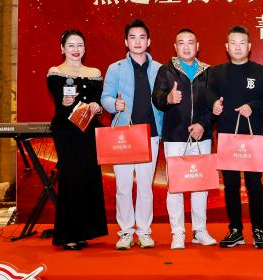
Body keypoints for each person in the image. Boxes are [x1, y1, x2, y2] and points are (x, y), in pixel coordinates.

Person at [206, 26, 263, 249]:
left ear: (249, 46)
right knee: (231, 185)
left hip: (253, 136)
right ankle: (235, 230)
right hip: (227, 136)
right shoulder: (216, 73)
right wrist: (214, 105)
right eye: (233, 43)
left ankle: (258, 230)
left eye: (242, 43)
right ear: (227, 47)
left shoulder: (260, 72)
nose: (237, 47)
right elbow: (209, 96)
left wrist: (253, 106)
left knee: (254, 184)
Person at [101, 19, 164, 250]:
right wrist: (113, 105)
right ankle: (126, 232)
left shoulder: (160, 69)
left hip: (150, 134)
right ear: (126, 42)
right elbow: (105, 97)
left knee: (146, 187)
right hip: (123, 136)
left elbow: (164, 101)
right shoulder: (115, 68)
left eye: (142, 37)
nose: (137, 42)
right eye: (133, 37)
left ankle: (144, 232)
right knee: (123, 187)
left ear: (149, 41)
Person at [151, 29, 217, 249]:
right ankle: (177, 232)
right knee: (175, 187)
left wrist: (203, 125)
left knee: (201, 186)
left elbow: (215, 105)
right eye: (181, 43)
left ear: (197, 46)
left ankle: (200, 230)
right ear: (175, 47)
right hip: (175, 136)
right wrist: (168, 98)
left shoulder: (208, 72)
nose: (186, 47)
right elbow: (157, 98)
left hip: (201, 136)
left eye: (190, 42)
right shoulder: (165, 70)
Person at [45, 30, 108, 250]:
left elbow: (99, 102)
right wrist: (65, 101)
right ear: (62, 48)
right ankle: (68, 234)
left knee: (88, 177)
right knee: (70, 179)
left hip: (88, 131)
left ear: (85, 48)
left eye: (79, 45)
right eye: (71, 45)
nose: (75, 49)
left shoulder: (94, 73)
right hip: (67, 132)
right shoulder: (55, 72)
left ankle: (85, 232)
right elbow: (59, 100)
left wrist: (97, 107)